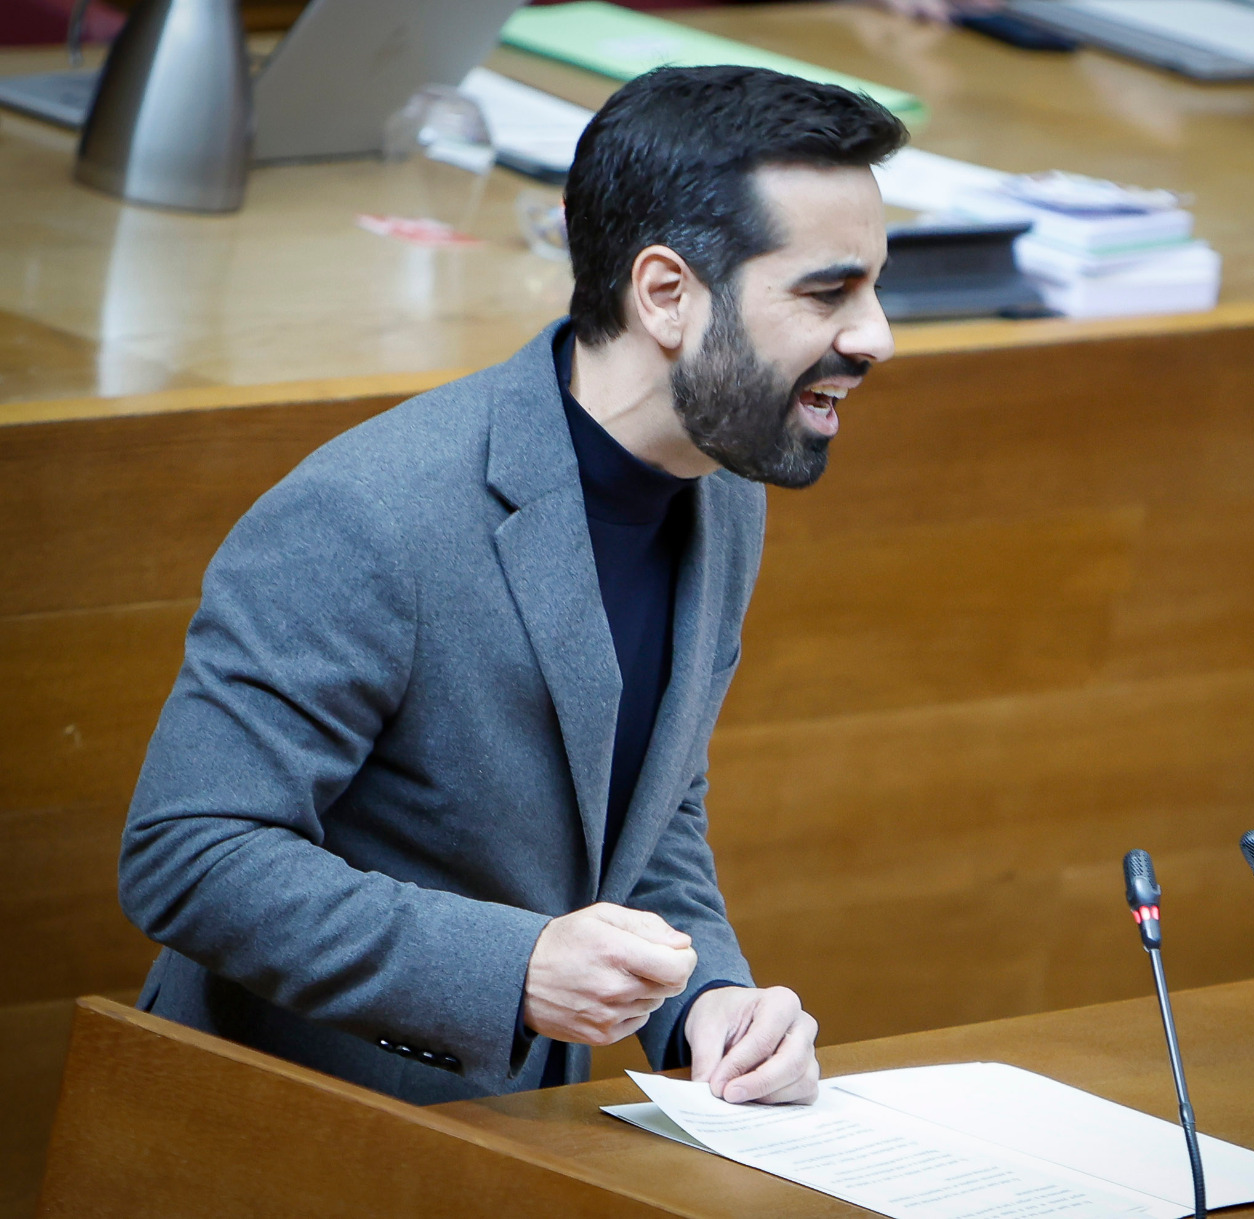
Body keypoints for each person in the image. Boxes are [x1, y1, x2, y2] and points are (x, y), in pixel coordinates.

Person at [118, 65, 906, 1106]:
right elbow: (189, 852)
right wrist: (513, 968)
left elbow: (642, 812)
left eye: (876, 285)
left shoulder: (720, 490)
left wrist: (705, 998)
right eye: (827, 291)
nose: (877, 335)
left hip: (522, 1140)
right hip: (284, 1129)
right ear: (665, 293)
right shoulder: (371, 513)